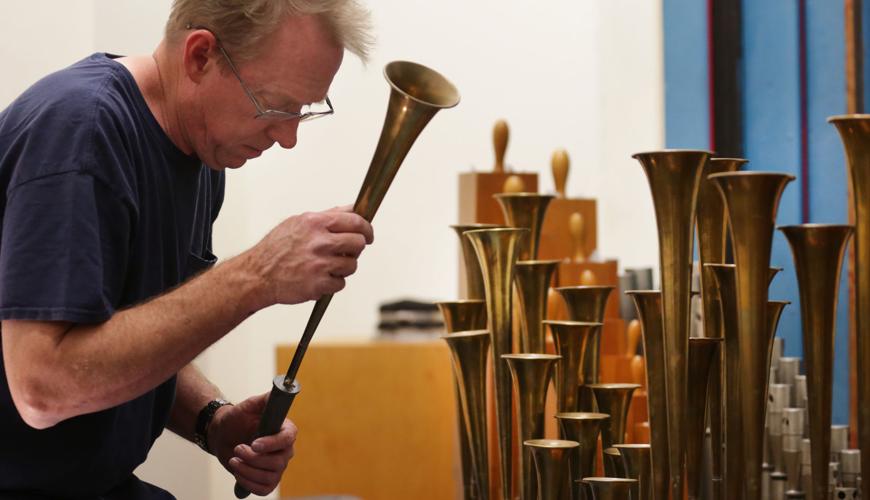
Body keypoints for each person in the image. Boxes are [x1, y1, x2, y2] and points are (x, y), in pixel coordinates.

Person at [0, 1, 374, 498]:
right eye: (275, 106)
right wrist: (256, 275)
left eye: (303, 111)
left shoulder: (202, 156)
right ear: (200, 57)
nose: (287, 137)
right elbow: (42, 390)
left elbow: (130, 335)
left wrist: (212, 421)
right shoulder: (82, 134)